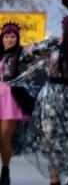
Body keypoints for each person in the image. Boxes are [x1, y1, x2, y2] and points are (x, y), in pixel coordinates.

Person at [26, 0, 68, 185]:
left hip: (52, 100)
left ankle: (56, 180)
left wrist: (50, 41)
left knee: (53, 142)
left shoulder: (53, 47)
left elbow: (30, 51)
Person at [0, 23, 27, 185]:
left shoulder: (21, 56)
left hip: (9, 98)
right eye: (6, 36)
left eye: (13, 36)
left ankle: (5, 170)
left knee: (3, 138)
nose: (9, 39)